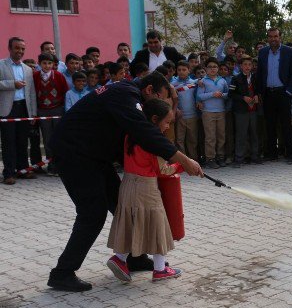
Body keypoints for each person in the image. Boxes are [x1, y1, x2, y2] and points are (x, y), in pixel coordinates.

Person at [47, 72, 202, 292]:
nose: (161, 104)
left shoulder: (128, 94)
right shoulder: (125, 96)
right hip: (74, 154)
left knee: (122, 205)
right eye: (161, 97)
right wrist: (183, 160)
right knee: (92, 213)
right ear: (149, 91)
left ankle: (135, 258)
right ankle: (62, 273)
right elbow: (144, 132)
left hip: (94, 155)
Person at [106, 98, 183, 282]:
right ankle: (160, 269)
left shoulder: (130, 135)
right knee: (157, 225)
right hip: (146, 187)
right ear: (155, 119)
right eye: (166, 122)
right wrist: (181, 166)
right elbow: (162, 170)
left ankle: (120, 258)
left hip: (128, 183)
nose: (167, 127)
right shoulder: (153, 140)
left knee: (131, 222)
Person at [256, 27, 292, 164]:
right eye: (270, 36)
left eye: (275, 36)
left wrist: (288, 91)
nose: (273, 39)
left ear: (280, 37)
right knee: (270, 125)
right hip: (268, 93)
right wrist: (260, 92)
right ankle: (272, 154)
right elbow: (259, 74)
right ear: (267, 38)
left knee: (286, 125)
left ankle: (290, 154)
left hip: (283, 93)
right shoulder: (262, 52)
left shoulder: (289, 52)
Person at [0, 37, 38, 185]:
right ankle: (8, 173)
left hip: (24, 108)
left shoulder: (28, 69)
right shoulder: (1, 65)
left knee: (22, 141)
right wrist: (12, 84)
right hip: (7, 109)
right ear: (9, 48)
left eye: (22, 49)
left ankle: (22, 170)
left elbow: (32, 92)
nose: (20, 51)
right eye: (17, 48)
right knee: (8, 142)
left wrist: (33, 113)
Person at [33, 53, 69, 175]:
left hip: (57, 110)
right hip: (42, 111)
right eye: (44, 63)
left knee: (58, 138)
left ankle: (61, 165)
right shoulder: (35, 76)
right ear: (39, 64)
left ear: (54, 64)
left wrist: (64, 110)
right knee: (47, 139)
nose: (47, 66)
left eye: (49, 63)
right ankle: (51, 166)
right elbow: (32, 93)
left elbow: (65, 93)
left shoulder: (59, 76)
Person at [229, 55, 261, 167]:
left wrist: (257, 95)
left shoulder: (255, 77)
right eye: (245, 65)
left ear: (252, 66)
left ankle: (255, 156)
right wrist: (243, 98)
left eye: (249, 64)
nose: (247, 67)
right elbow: (231, 94)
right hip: (241, 111)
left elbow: (258, 90)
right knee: (241, 134)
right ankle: (239, 158)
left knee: (254, 133)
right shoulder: (236, 78)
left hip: (253, 110)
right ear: (240, 66)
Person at [197, 57, 228, 169]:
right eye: (210, 67)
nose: (212, 69)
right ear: (206, 68)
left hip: (221, 111)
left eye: (215, 67)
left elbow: (227, 94)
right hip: (208, 112)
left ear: (218, 68)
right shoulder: (203, 81)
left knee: (221, 135)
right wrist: (212, 94)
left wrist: (222, 95)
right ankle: (210, 158)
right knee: (210, 137)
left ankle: (220, 157)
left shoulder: (222, 80)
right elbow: (199, 96)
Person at [173, 61, 199, 160]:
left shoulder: (194, 83)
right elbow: (172, 100)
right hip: (180, 117)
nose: (181, 72)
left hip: (192, 116)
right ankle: (183, 161)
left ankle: (193, 159)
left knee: (192, 139)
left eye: (184, 70)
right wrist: (177, 110)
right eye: (179, 70)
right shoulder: (173, 84)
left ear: (189, 71)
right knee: (179, 139)